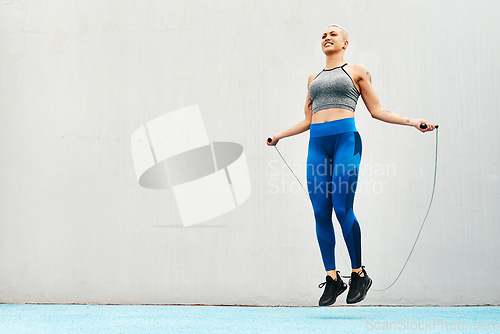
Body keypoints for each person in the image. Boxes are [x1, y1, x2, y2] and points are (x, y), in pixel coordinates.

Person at [266, 24, 436, 306]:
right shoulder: (313, 78)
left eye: (333, 34)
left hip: (346, 140)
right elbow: (308, 120)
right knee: (321, 210)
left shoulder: (357, 71)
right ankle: (333, 279)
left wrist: (413, 122)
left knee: (342, 206)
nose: (327, 37)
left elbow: (377, 110)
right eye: (323, 35)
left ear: (345, 43)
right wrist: (279, 135)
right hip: (317, 145)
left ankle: (359, 273)